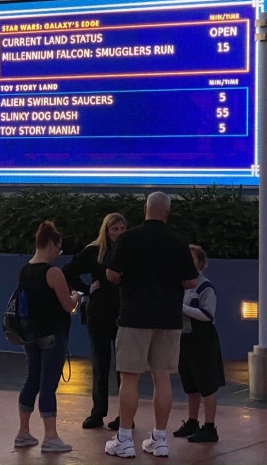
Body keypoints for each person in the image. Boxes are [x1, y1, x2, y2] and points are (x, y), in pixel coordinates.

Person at [104, 192, 198, 459]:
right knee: (162, 377)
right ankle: (160, 439)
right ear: (167, 213)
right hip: (168, 319)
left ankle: (124, 438)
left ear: (145, 209)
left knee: (130, 377)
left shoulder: (129, 238)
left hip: (134, 317)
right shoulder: (178, 242)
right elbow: (191, 281)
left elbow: (112, 274)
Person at [14, 221, 79, 454]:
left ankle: (23, 431)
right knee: (48, 385)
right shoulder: (53, 272)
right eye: (58, 249)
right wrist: (77, 297)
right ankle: (50, 436)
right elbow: (67, 304)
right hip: (52, 334)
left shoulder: (24, 270)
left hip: (30, 334)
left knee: (32, 378)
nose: (58, 254)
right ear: (51, 245)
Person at [62, 212, 126, 430]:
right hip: (98, 313)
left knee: (124, 367)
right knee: (100, 364)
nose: (118, 233)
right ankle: (98, 412)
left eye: (121, 229)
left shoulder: (129, 251)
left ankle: (125, 415)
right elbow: (68, 271)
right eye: (114, 229)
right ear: (106, 231)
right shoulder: (93, 252)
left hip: (123, 313)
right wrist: (87, 289)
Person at [173, 244, 226, 444]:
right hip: (184, 338)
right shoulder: (181, 284)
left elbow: (207, 314)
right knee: (190, 383)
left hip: (202, 339)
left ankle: (210, 427)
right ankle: (192, 421)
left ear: (201, 263)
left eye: (192, 260)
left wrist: (182, 308)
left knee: (207, 384)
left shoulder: (205, 287)